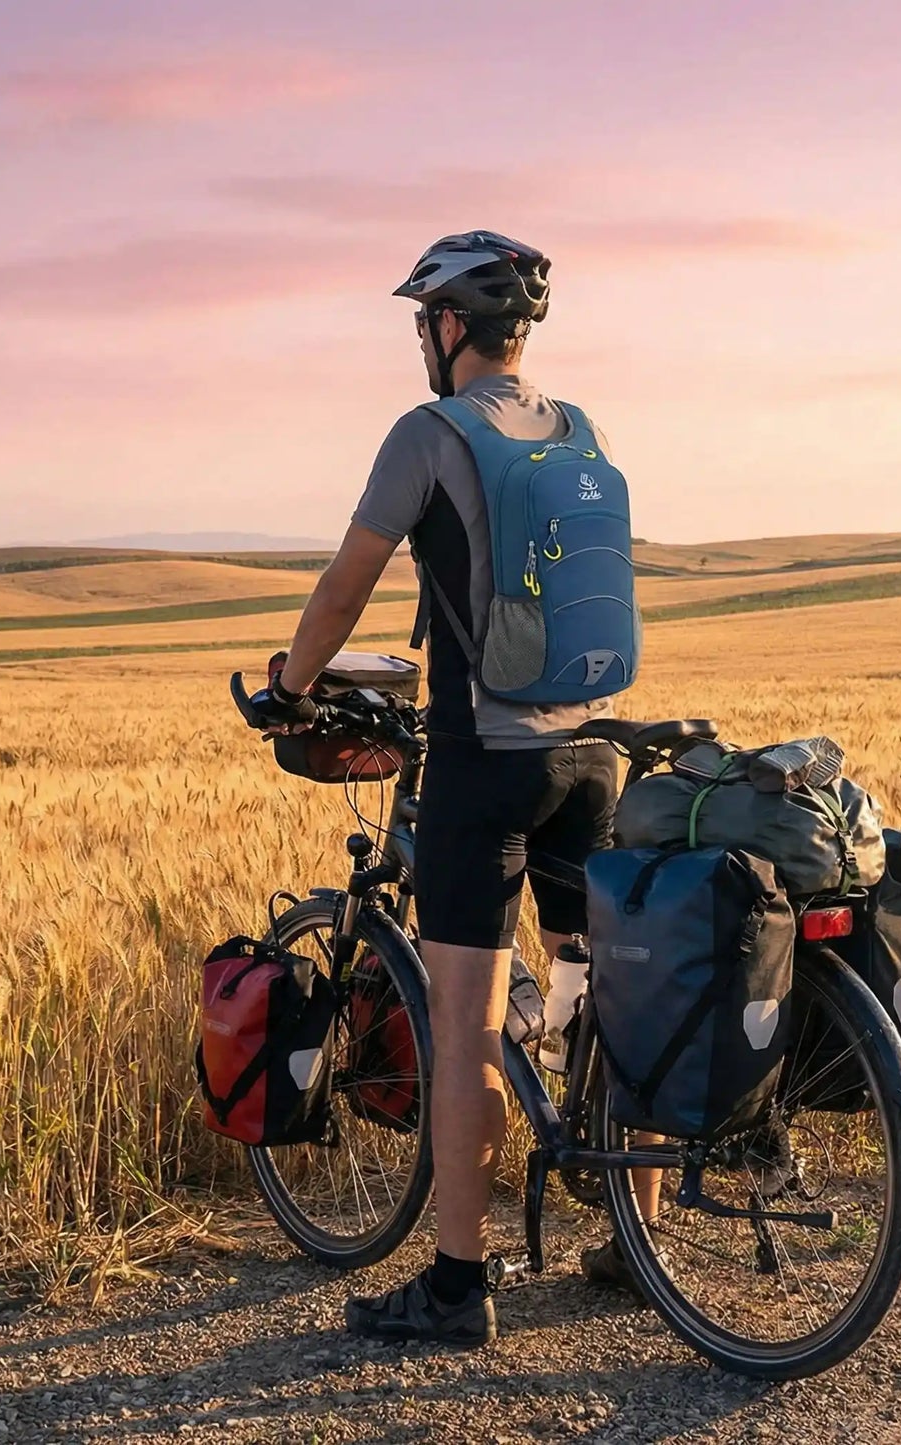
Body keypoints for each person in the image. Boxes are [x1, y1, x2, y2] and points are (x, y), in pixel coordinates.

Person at [249, 231, 635, 1347]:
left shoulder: (429, 434)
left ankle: (460, 1285)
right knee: (602, 992)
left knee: (465, 1028)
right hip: (591, 754)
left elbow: (345, 583)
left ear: (450, 326)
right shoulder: (582, 429)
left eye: (426, 321)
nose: (424, 338)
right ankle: (633, 1241)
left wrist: (290, 686)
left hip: (486, 762)